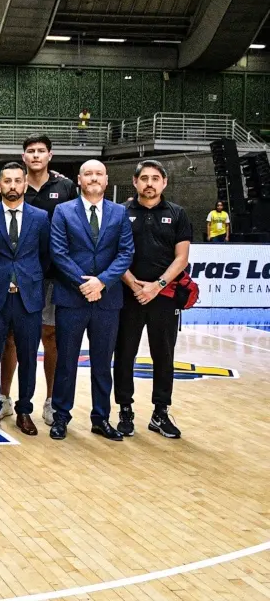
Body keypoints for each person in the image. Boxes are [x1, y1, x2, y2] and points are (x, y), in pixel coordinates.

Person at [49, 160, 133, 441]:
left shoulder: (120, 213)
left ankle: (101, 418)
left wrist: (102, 282)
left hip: (107, 301)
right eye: (88, 174)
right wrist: (85, 283)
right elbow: (58, 253)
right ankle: (61, 417)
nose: (93, 178)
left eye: (98, 174)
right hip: (72, 299)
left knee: (101, 364)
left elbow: (125, 254)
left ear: (106, 180)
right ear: (79, 179)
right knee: (66, 363)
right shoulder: (63, 211)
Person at [0, 134, 78, 425]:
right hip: (17, 277)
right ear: (23, 157)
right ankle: (4, 397)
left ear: (50, 155)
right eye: (30, 151)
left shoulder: (65, 186)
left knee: (50, 337)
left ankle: (50, 401)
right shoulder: (13, 185)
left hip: (52, 276)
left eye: (40, 151)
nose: (35, 155)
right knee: (11, 338)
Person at [114, 160, 192, 439]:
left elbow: (181, 258)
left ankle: (160, 412)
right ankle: (125, 410)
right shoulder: (120, 212)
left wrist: (157, 286)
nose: (149, 183)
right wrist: (135, 285)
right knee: (124, 355)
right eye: (144, 178)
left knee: (164, 355)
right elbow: (113, 253)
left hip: (164, 297)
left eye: (155, 178)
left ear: (164, 183)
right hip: (127, 295)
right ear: (134, 182)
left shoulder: (178, 214)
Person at [0, 163, 50, 435]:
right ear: (0, 184)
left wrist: (26, 279)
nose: (12, 186)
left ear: (25, 184)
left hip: (28, 299)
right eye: (7, 181)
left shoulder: (41, 217)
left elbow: (45, 257)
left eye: (17, 181)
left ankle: (25, 411)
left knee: (29, 357)